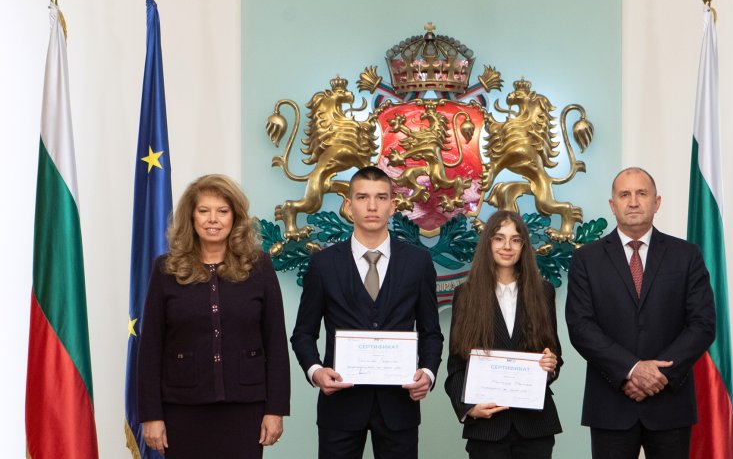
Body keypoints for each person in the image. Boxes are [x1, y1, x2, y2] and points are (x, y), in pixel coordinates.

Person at [290, 166, 444, 459]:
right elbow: (303, 334)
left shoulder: (418, 262)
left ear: (392, 205)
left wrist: (427, 372)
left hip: (400, 406)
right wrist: (316, 371)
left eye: (380, 197)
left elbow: (431, 332)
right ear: (349, 205)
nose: (372, 206)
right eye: (362, 197)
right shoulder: (323, 265)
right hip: (340, 407)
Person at [565, 167, 716, 458]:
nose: (633, 201)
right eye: (624, 194)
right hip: (611, 405)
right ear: (613, 205)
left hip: (670, 403)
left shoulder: (687, 255)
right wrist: (631, 370)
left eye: (641, 193)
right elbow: (581, 326)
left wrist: (658, 375)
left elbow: (702, 324)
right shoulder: (586, 259)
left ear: (656, 202)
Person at [138, 174, 291, 458]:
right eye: (204, 211)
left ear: (235, 217)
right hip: (182, 409)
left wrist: (276, 409)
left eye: (222, 211)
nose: (213, 219)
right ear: (191, 217)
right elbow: (150, 348)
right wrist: (151, 415)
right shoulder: (166, 270)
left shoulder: (259, 267)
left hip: (245, 408)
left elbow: (276, 343)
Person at [445, 210, 563, 458]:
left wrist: (551, 365)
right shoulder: (465, 295)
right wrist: (468, 408)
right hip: (487, 428)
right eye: (499, 238)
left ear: (523, 245)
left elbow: (554, 356)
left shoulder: (544, 292)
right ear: (488, 242)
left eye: (515, 239)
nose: (507, 246)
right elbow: (456, 366)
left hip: (535, 427)